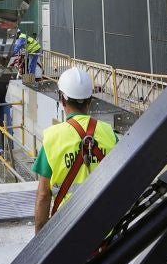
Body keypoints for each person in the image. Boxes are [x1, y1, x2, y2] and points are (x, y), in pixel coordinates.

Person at [33, 67, 118, 234]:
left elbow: (43, 196)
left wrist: (39, 238)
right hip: (104, 231)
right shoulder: (109, 133)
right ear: (90, 101)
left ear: (62, 100)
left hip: (66, 231)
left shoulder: (52, 138)